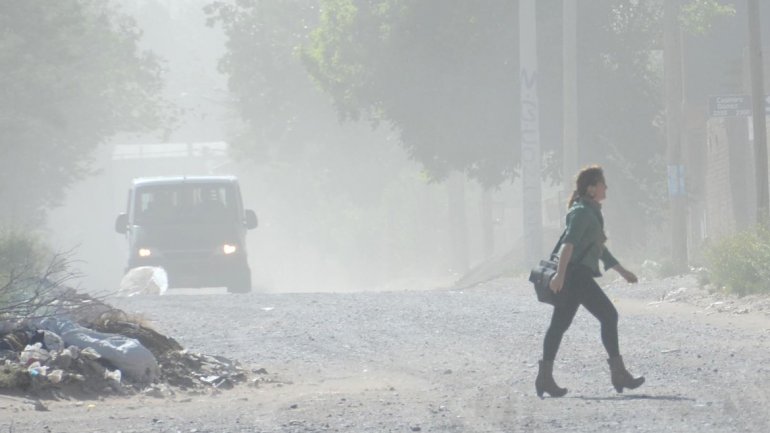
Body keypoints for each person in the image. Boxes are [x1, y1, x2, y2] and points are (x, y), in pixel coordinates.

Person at [535, 165, 645, 398]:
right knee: (608, 315)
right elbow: (569, 244)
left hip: (576, 275)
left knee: (559, 326)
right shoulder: (582, 212)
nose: (606, 187)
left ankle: (544, 378)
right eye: (603, 183)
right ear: (592, 188)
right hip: (576, 276)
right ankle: (619, 374)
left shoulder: (590, 211)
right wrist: (560, 275)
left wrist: (622, 271)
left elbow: (598, 248)